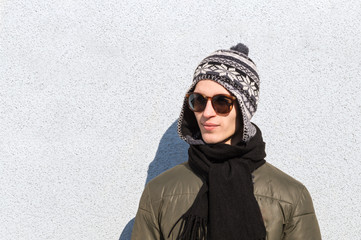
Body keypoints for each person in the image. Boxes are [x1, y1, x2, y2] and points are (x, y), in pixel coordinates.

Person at [131, 43, 321, 240]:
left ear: (244, 110)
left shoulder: (291, 196)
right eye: (199, 100)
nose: (207, 113)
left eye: (222, 102)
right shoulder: (159, 191)